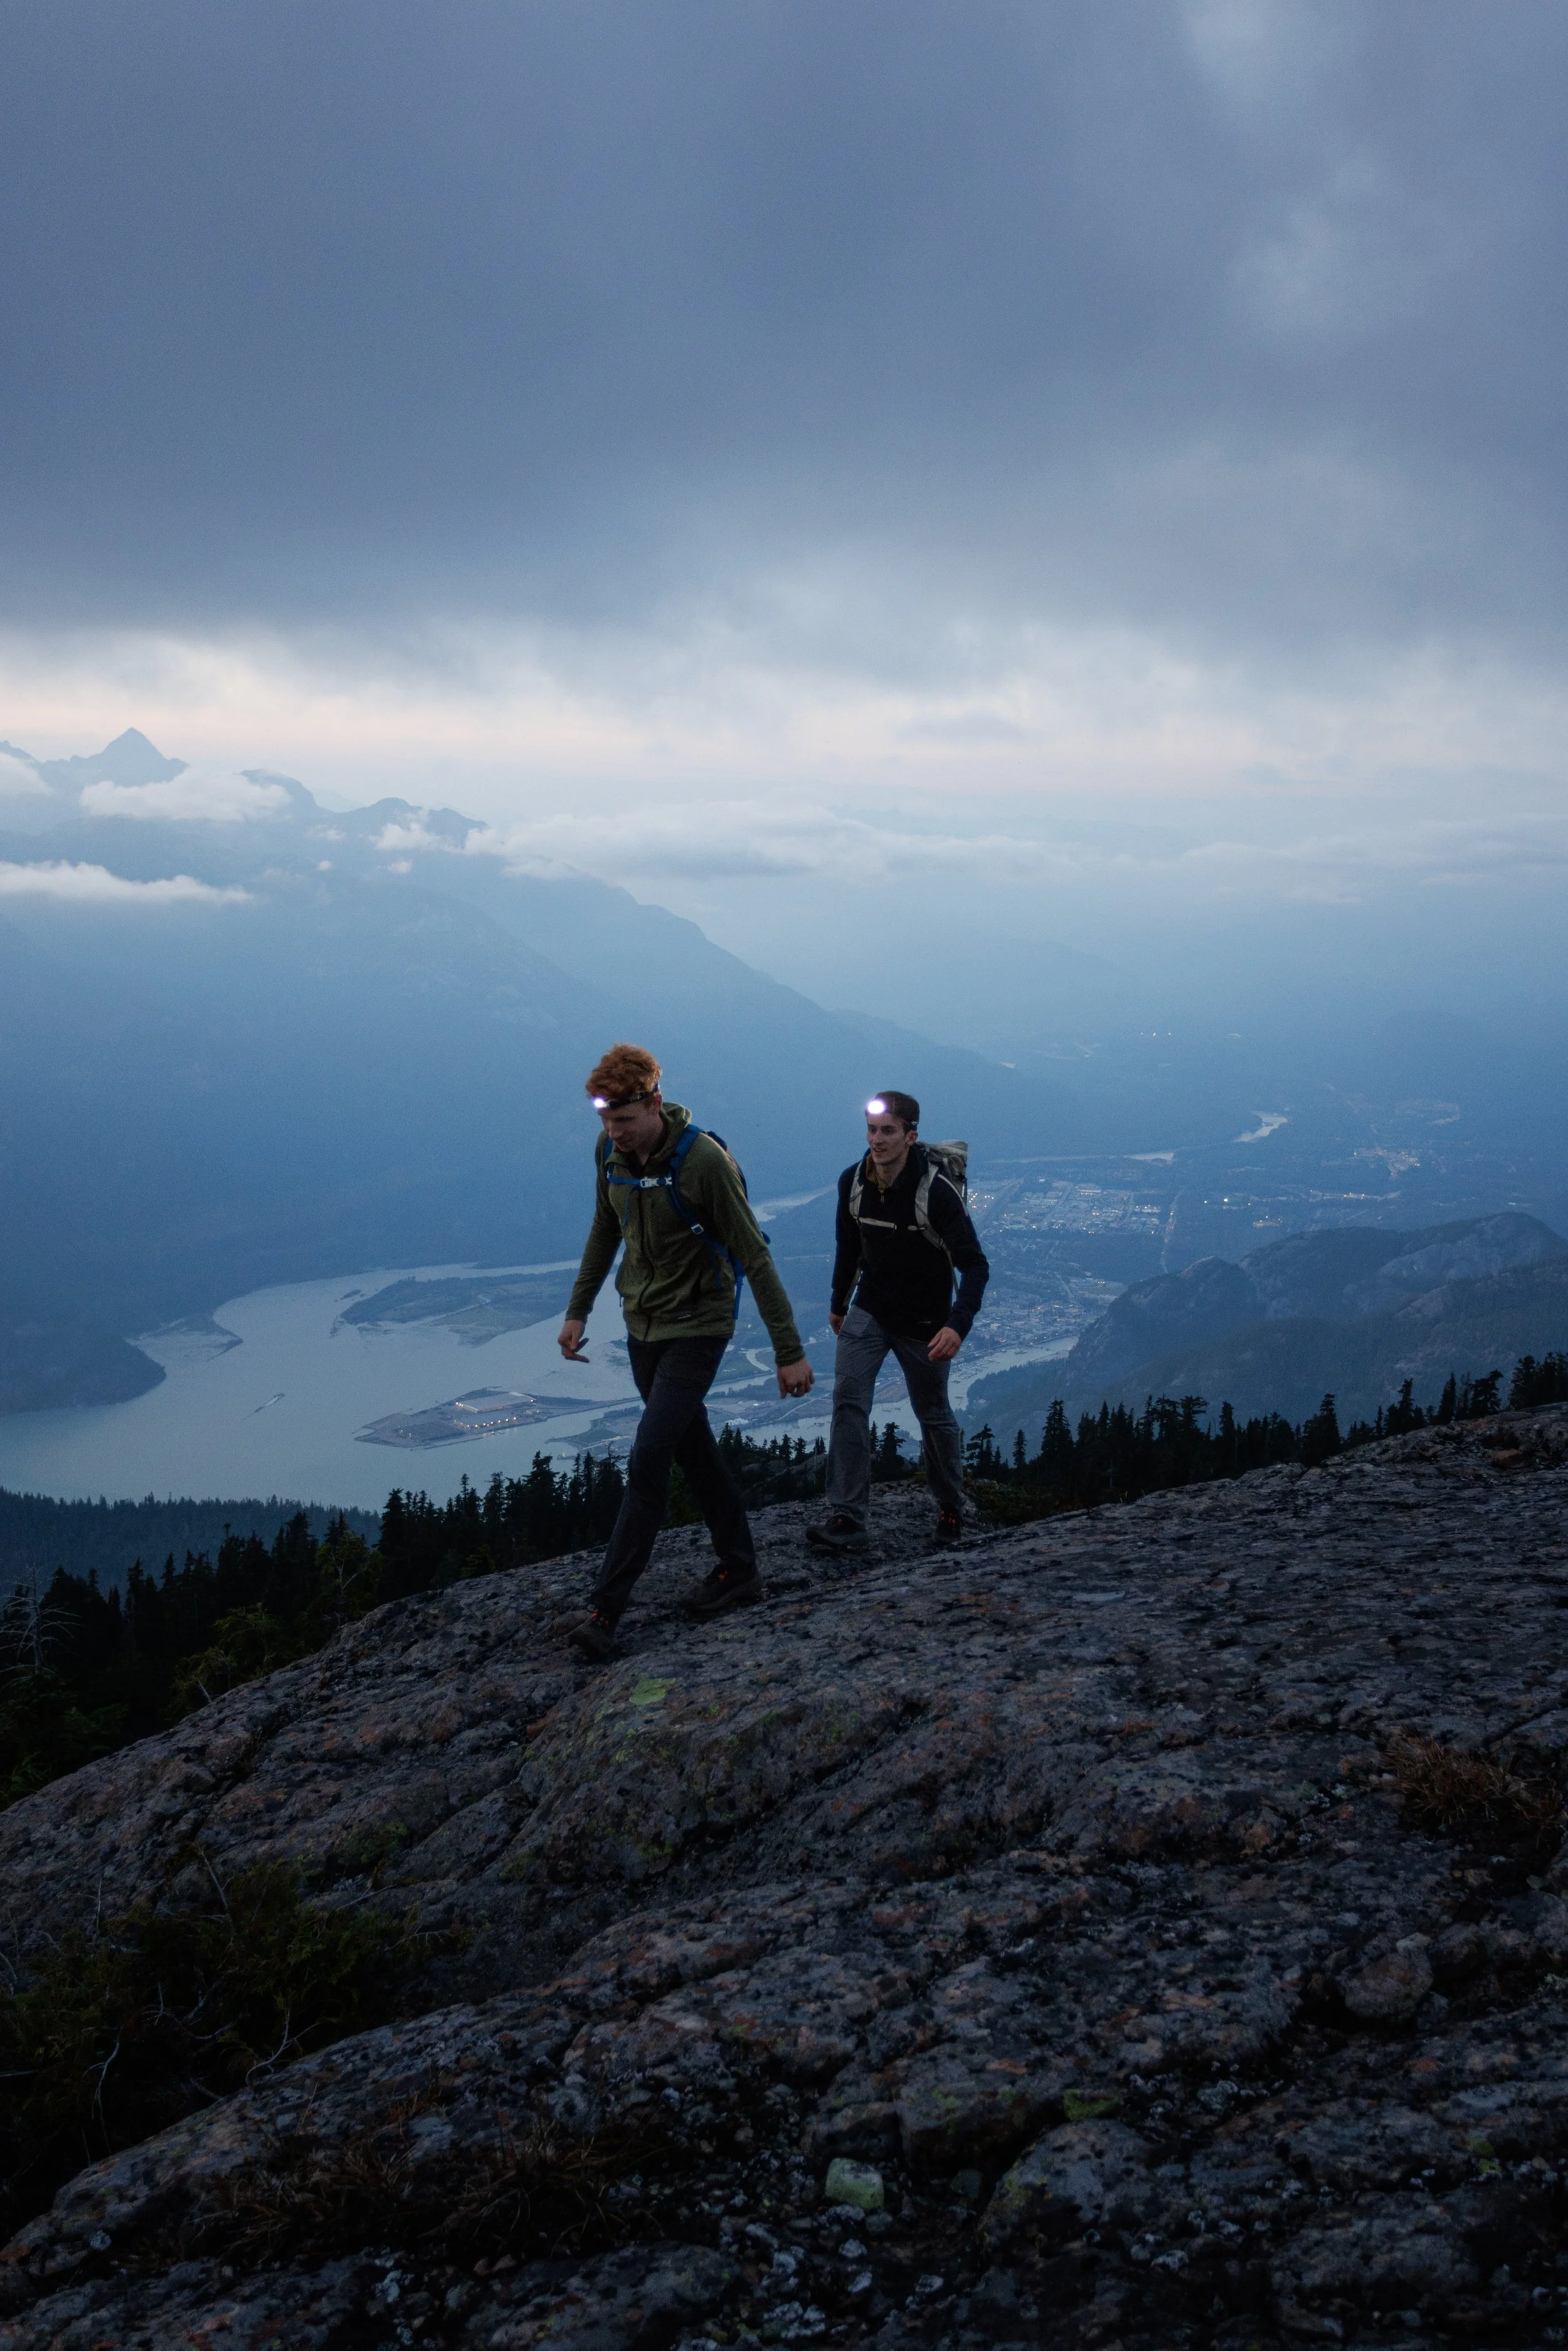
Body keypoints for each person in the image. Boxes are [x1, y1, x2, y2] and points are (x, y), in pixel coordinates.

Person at [558, 1043, 815, 1658]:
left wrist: (789, 1351)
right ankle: (739, 1568)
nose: (613, 1134)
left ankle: (605, 1611)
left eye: (623, 1121)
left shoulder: (703, 1162)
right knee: (692, 1449)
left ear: (653, 1103)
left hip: (700, 1325)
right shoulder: (609, 1154)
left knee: (649, 1457)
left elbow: (754, 1252)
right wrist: (578, 1308)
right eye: (605, 1122)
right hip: (642, 1325)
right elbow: (604, 1227)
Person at [807, 1090, 988, 1554]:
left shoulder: (937, 1193)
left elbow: (974, 1265)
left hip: (925, 1320)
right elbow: (849, 1248)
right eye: (872, 1130)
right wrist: (837, 1302)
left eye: (889, 1131)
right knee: (848, 1402)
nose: (878, 1140)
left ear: (912, 1137)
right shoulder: (854, 1181)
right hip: (869, 1310)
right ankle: (847, 1517)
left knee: (933, 1416)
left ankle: (950, 1507)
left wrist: (957, 1324)